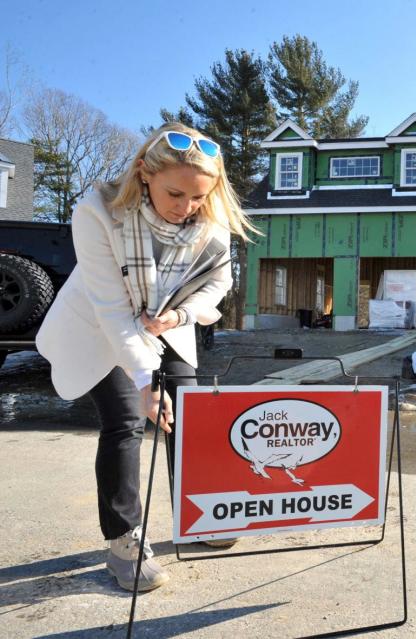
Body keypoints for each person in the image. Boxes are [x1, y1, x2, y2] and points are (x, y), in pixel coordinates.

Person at [37, 122, 256, 592]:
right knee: (126, 422)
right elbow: (114, 311)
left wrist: (178, 317)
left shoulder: (207, 220)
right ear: (143, 174)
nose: (186, 208)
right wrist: (144, 384)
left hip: (165, 323)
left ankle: (202, 514)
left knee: (191, 415)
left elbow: (219, 284)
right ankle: (123, 541)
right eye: (175, 194)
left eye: (199, 197)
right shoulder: (97, 214)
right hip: (100, 327)